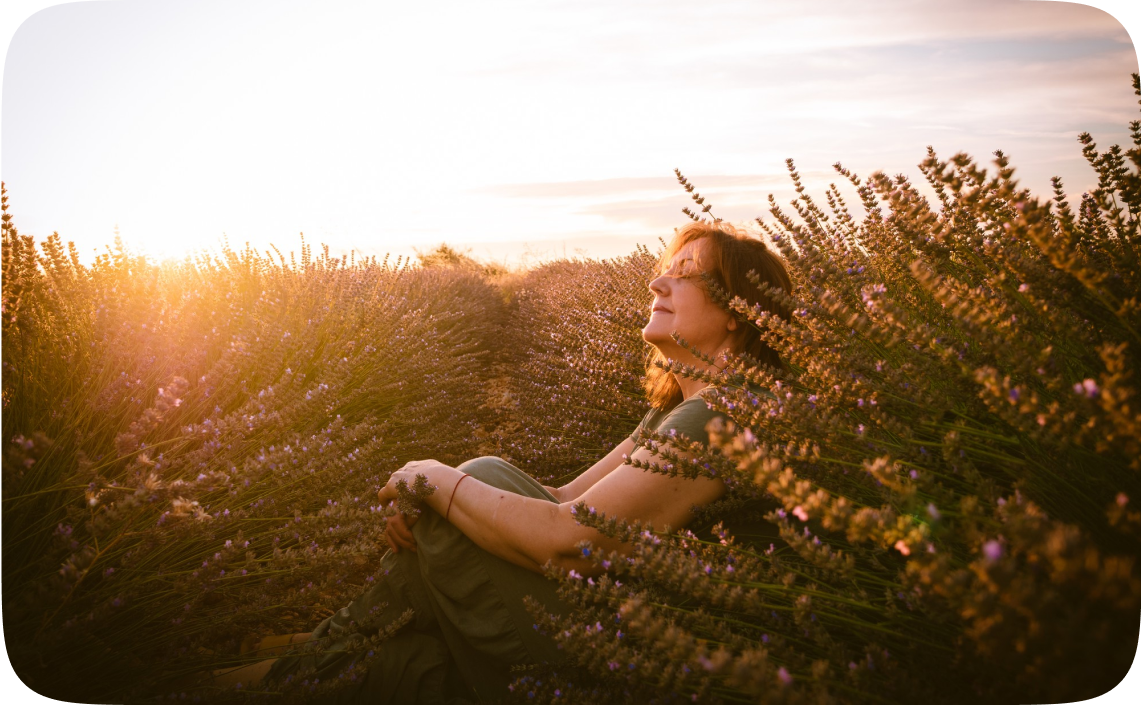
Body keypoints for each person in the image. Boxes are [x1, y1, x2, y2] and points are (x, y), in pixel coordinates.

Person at [210, 221, 793, 703]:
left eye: (686, 274)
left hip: (631, 666)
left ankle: (303, 660)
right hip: (606, 627)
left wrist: (432, 480)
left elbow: (572, 542)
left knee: (468, 490)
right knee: (475, 498)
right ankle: (321, 656)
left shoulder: (721, 415)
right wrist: (446, 498)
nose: (657, 280)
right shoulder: (680, 409)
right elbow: (563, 499)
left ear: (738, 312)